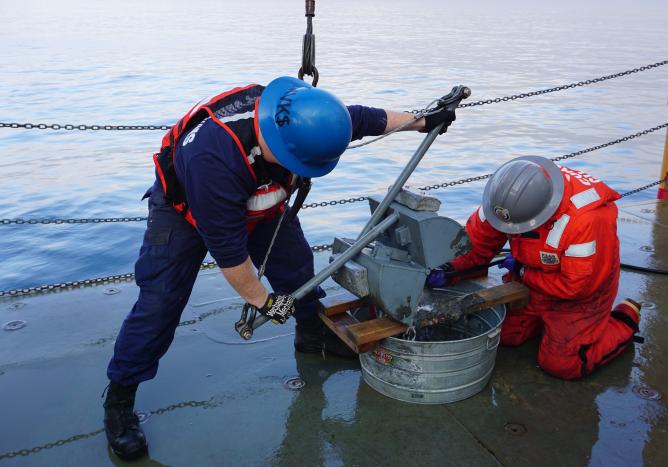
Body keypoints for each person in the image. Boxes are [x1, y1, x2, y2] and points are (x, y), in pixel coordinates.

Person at [102, 76, 456, 460]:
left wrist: (423, 120)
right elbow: (230, 255)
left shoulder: (308, 116)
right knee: (160, 304)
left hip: (261, 202)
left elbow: (364, 119)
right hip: (183, 214)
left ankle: (311, 335)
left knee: (297, 268)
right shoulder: (213, 158)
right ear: (277, 142)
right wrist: (264, 301)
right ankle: (120, 399)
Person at [428, 156, 642, 381]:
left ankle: (624, 318)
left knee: (563, 364)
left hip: (580, 295)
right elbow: (476, 245)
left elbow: (577, 287)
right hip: (532, 280)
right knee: (504, 334)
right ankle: (550, 328)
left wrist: (523, 272)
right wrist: (450, 268)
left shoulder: (588, 220)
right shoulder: (506, 199)